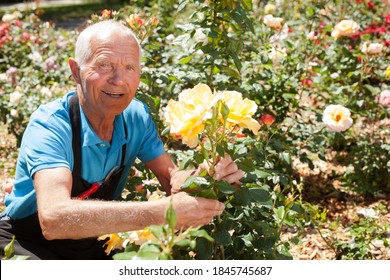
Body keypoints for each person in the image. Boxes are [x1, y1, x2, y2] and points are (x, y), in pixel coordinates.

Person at [0, 20, 243, 260]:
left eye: (130, 68)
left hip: (92, 239)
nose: (119, 80)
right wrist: (160, 212)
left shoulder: (135, 117)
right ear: (76, 71)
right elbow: (53, 219)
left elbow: (172, 177)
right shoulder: (51, 125)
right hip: (25, 242)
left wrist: (205, 177)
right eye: (104, 65)